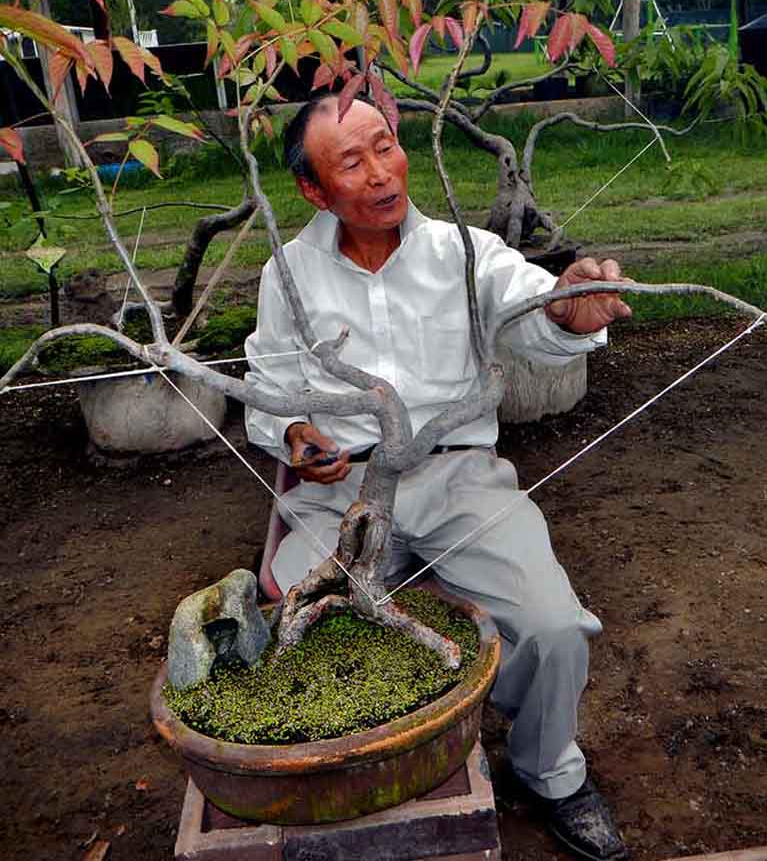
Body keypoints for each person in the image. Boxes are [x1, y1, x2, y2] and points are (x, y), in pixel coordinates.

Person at [244, 95, 633, 861]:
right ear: (316, 191)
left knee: (552, 626)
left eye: (385, 146)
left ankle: (551, 772)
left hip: (460, 476)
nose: (382, 173)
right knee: (294, 622)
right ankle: (358, 773)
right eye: (351, 163)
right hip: (341, 491)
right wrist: (297, 437)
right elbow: (269, 387)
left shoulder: (468, 250)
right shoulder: (286, 273)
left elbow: (530, 308)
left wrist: (566, 313)